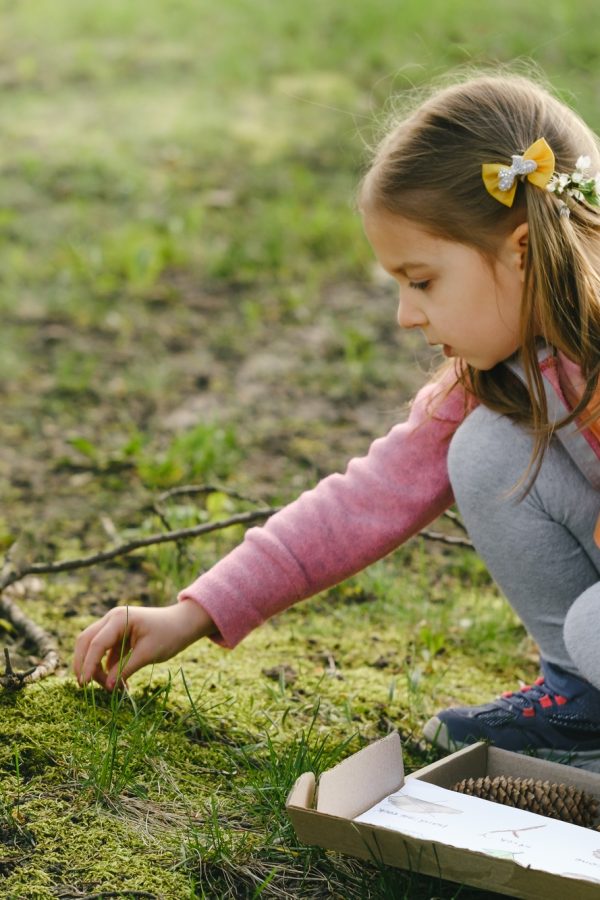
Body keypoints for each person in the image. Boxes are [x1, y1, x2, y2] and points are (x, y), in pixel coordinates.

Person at [73, 71, 600, 771]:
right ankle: (580, 707)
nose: (406, 315)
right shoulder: (502, 373)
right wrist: (194, 613)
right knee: (483, 450)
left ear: (521, 250)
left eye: (422, 281)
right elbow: (364, 500)